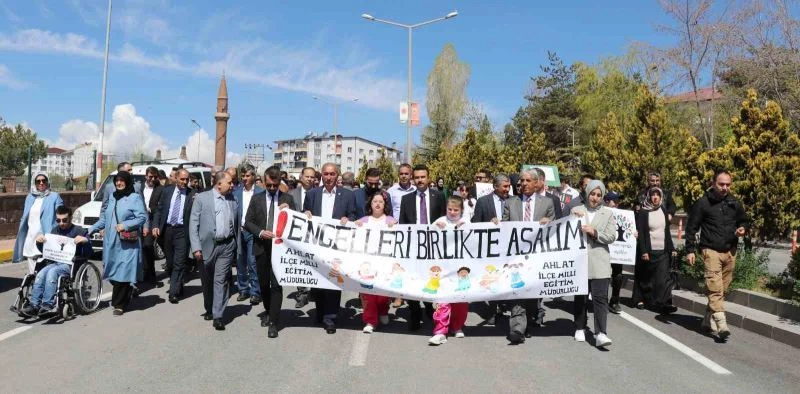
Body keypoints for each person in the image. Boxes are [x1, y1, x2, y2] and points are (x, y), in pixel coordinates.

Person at [685, 170, 749, 340]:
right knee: (714, 288)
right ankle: (721, 324)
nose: (725, 188)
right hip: (710, 250)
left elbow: (743, 220)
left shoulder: (734, 202)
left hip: (730, 251)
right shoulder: (703, 203)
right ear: (713, 184)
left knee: (722, 289)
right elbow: (691, 228)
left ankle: (707, 320)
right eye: (721, 184)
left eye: (728, 184)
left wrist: (743, 228)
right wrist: (690, 250)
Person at [502, 168, 555, 344]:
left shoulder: (546, 203)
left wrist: (549, 223)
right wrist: (497, 223)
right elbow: (504, 227)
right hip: (516, 256)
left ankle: (529, 322)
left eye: (527, 181)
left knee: (532, 293)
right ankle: (517, 328)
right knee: (517, 290)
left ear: (536, 183)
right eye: (521, 181)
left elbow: (555, 229)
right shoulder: (511, 203)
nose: (523, 184)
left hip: (537, 256)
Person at [303, 163, 357, 334]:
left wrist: (346, 220)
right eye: (325, 174)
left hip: (336, 246)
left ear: (337, 176)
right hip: (316, 245)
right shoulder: (312, 194)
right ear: (321, 176)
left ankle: (330, 318)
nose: (328, 177)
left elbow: (354, 215)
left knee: (333, 281)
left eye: (332, 174)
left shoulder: (348, 195)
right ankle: (320, 314)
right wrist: (306, 214)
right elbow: (305, 212)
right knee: (318, 281)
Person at [244, 167, 294, 338]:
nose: (272, 189)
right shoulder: (256, 199)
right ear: (264, 182)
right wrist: (260, 232)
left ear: (280, 182)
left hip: (280, 249)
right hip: (261, 247)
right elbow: (247, 222)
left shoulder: (287, 198)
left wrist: (290, 212)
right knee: (264, 284)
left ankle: (273, 321)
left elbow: (297, 224)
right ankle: (267, 310)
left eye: (275, 185)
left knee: (276, 284)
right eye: (269, 185)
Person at [88, 171, 147, 316]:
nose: (119, 183)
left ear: (127, 182)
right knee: (113, 273)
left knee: (123, 272)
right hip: (111, 242)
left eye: (122, 181)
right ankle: (127, 291)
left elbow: (142, 217)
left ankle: (119, 304)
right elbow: (105, 219)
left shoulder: (134, 198)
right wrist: (90, 229)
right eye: (117, 181)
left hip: (127, 243)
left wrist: (125, 225)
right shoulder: (113, 198)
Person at [20, 206, 92, 317]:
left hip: (71, 264)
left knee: (52, 273)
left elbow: (89, 252)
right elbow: (46, 251)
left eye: (64, 220)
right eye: (58, 220)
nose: (61, 223)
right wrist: (40, 242)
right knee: (40, 274)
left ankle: (48, 304)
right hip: (55, 262)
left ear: (70, 218)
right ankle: (34, 305)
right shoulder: (55, 231)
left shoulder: (79, 231)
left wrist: (85, 240)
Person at [399, 164, 447, 331]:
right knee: (413, 279)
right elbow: (403, 225)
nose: (420, 180)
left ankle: (428, 306)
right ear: (414, 178)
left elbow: (445, 220)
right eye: (417, 177)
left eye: (423, 177)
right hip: (413, 248)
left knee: (430, 278)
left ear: (428, 178)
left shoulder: (439, 197)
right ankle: (414, 314)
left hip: (433, 247)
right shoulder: (406, 199)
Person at [570, 180, 618, 348]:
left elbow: (612, 236)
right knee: (581, 296)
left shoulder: (608, 214)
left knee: (600, 298)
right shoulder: (577, 210)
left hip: (600, 262)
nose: (595, 198)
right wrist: (572, 219)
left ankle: (601, 333)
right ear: (587, 193)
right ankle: (580, 327)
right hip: (580, 261)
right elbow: (566, 233)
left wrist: (595, 232)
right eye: (592, 194)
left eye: (599, 195)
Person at [189, 171, 239, 331]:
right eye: (229, 183)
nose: (232, 185)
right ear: (219, 184)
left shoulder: (233, 199)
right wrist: (196, 247)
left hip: (227, 246)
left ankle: (218, 315)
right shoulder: (201, 199)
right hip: (206, 247)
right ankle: (209, 308)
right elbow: (193, 224)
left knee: (221, 280)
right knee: (207, 281)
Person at [428, 195, 470, 345]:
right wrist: (435, 228)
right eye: (450, 209)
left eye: (456, 210)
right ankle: (440, 330)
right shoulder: (440, 221)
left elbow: (474, 240)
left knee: (460, 300)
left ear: (461, 210)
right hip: (444, 268)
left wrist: (462, 230)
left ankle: (457, 326)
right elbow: (428, 237)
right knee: (443, 299)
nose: (452, 212)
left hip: (460, 269)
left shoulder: (466, 222)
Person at [472, 173, 512, 324]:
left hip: (508, 246)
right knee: (492, 278)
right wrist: (489, 224)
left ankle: (504, 305)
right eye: (505, 186)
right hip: (490, 247)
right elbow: (476, 223)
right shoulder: (483, 202)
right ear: (495, 187)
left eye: (509, 186)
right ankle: (492, 310)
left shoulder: (513, 200)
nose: (508, 189)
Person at [152, 169, 196, 304]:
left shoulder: (192, 194)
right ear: (176, 178)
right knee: (170, 263)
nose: (185, 182)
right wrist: (155, 225)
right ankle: (178, 285)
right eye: (182, 179)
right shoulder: (167, 191)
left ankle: (173, 293)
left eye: (187, 179)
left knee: (179, 262)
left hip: (182, 232)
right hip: (167, 231)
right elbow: (159, 210)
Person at [354, 191, 396, 334]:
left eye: (380, 202)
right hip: (367, 263)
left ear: (385, 205)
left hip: (385, 262)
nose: (377, 204)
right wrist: (355, 225)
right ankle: (370, 321)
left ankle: (383, 311)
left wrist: (395, 225)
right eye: (374, 201)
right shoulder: (364, 220)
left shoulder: (390, 220)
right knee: (368, 293)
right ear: (370, 205)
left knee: (383, 294)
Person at [632, 187, 678, 314]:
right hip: (649, 250)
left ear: (661, 197)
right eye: (653, 195)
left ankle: (665, 303)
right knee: (645, 278)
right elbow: (641, 233)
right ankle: (640, 299)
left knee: (664, 278)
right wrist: (644, 251)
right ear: (649, 197)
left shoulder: (663, 210)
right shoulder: (643, 212)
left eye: (658, 195)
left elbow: (666, 231)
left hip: (662, 251)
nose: (655, 197)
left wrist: (672, 248)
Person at [14, 173, 64, 268]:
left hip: (45, 237)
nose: (41, 183)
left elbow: (61, 213)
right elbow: (25, 216)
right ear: (35, 183)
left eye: (43, 180)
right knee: (32, 271)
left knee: (45, 270)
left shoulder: (54, 196)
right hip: (31, 237)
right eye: (38, 181)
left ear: (47, 182)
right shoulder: (30, 197)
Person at [234, 165, 264, 304]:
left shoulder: (260, 192)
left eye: (247, 175)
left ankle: (255, 292)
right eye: (243, 176)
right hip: (239, 231)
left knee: (252, 263)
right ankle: (243, 290)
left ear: (253, 176)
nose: (245, 178)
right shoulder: (236, 192)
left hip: (253, 232)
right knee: (240, 262)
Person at [289, 167, 317, 308]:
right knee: (300, 264)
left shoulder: (319, 194)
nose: (309, 179)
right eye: (307, 176)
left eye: (312, 177)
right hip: (297, 235)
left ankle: (315, 291)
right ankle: (302, 293)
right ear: (301, 176)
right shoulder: (291, 194)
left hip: (315, 235)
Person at [140, 166, 164, 288]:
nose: (152, 179)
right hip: (138, 221)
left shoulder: (160, 189)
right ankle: (141, 274)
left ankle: (151, 275)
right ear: (146, 176)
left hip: (151, 220)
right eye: (150, 177)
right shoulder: (139, 187)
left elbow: (160, 208)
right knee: (140, 248)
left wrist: (150, 210)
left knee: (148, 246)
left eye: (155, 177)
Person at [604, 191, 625, 314]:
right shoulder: (599, 213)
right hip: (603, 251)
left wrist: (633, 233)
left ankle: (615, 301)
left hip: (618, 252)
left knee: (618, 276)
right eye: (614, 201)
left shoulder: (622, 214)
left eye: (618, 201)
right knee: (602, 276)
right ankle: (600, 300)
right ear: (607, 201)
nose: (617, 204)